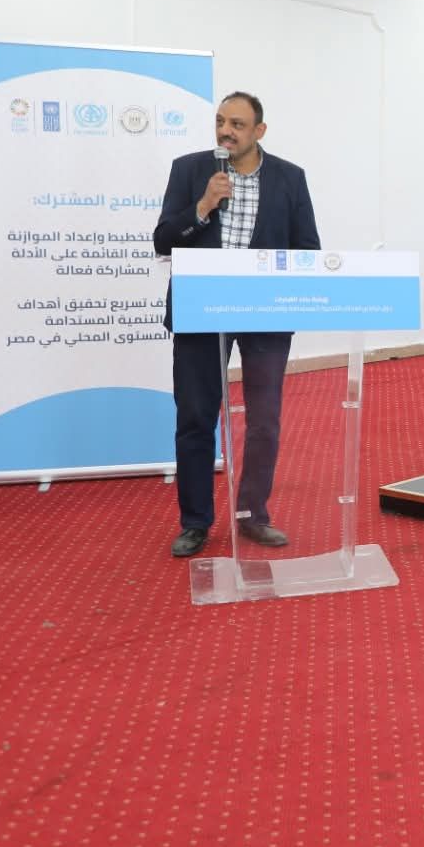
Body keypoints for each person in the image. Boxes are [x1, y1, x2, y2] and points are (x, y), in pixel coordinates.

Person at [154, 92, 321, 558]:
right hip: (200, 310)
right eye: (221, 121)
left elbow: (307, 248)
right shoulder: (190, 170)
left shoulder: (290, 178)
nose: (226, 131)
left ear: (259, 131)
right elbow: (163, 240)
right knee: (195, 417)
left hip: (266, 313)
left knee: (264, 421)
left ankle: (253, 514)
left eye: (238, 124)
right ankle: (195, 523)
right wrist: (203, 206)